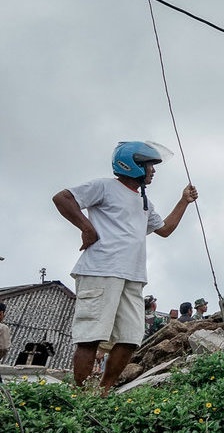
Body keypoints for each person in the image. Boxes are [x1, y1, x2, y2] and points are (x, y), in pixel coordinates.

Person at [53, 141, 198, 395]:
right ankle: (80, 396)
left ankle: (103, 392)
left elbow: (164, 229)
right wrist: (87, 228)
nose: (153, 170)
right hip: (101, 270)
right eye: (150, 165)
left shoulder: (143, 201)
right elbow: (63, 198)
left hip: (133, 276)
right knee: (90, 336)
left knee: (131, 337)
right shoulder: (104, 186)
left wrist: (184, 201)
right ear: (134, 165)